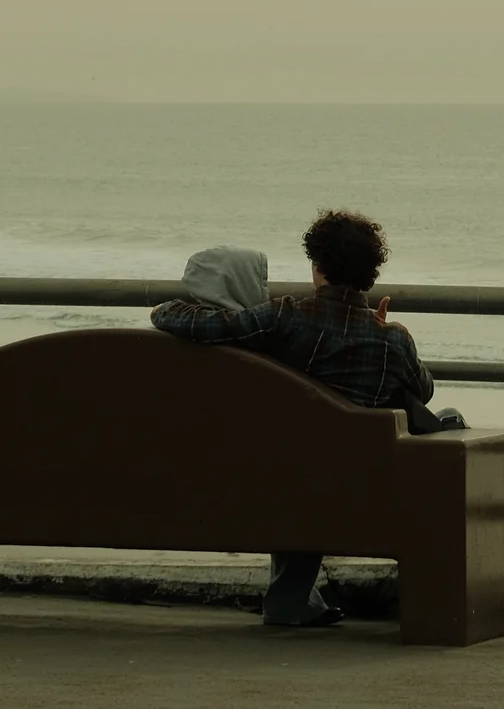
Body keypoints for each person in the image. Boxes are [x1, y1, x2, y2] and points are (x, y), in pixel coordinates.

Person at [150, 209, 439, 628]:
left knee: (305, 456)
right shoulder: (392, 340)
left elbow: (204, 325)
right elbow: (424, 391)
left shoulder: (283, 317)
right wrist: (388, 333)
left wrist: (165, 309)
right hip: (362, 490)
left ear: (317, 264)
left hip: (281, 477)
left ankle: (292, 597)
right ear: (371, 272)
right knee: (447, 421)